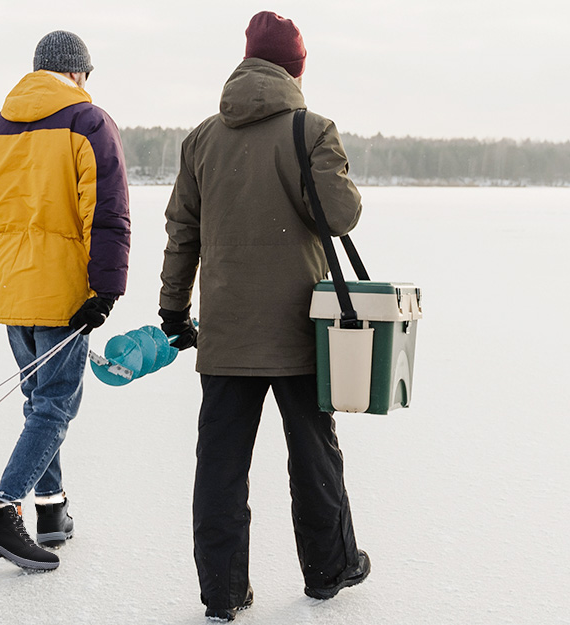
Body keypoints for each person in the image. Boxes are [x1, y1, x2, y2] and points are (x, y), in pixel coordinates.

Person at [158, 11, 369, 621]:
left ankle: (222, 592)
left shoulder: (201, 137)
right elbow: (342, 216)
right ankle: (330, 571)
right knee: (314, 455)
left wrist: (174, 308)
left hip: (224, 335)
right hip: (301, 330)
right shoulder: (312, 129)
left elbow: (182, 233)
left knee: (220, 468)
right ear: (295, 68)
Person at [0, 30, 130, 571]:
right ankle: (0, 512)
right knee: (54, 407)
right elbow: (108, 212)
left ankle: (52, 510)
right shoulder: (88, 123)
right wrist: (105, 291)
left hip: (10, 294)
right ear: (76, 73)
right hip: (63, 297)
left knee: (38, 405)